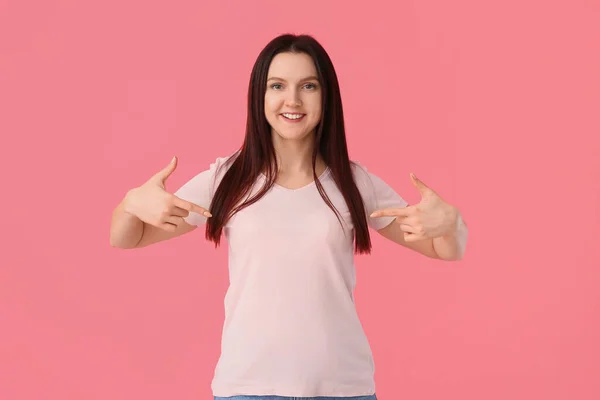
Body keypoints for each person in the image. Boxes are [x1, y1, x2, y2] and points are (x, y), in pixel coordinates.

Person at [110, 33, 468, 400]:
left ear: (326, 96)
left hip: (343, 388)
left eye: (308, 86)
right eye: (277, 85)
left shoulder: (354, 182)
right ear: (259, 96)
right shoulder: (228, 179)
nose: (292, 100)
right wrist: (130, 203)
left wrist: (452, 222)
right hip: (247, 389)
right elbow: (127, 236)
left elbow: (447, 249)